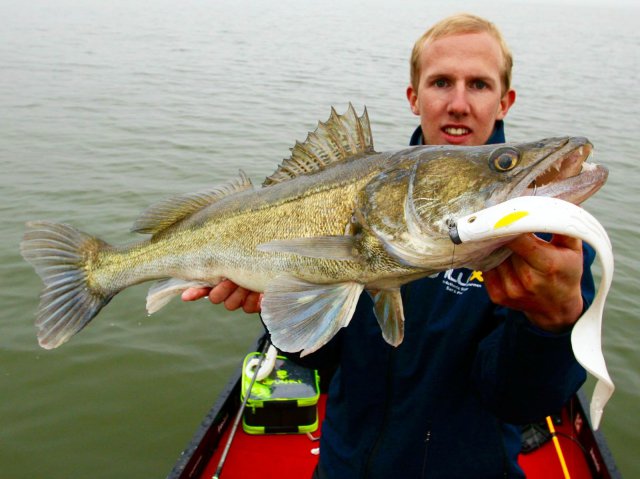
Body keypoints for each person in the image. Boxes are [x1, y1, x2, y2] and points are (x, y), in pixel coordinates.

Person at [184, 13, 593, 478]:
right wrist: (277, 299)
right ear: (414, 97)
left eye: (479, 84)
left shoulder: (550, 244)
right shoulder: (367, 196)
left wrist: (550, 325)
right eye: (441, 82)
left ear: (505, 101)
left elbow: (520, 402)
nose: (459, 104)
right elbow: (324, 362)